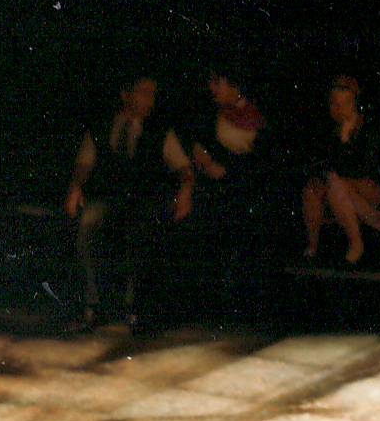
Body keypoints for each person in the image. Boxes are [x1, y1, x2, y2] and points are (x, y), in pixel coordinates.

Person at [65, 75, 195, 331]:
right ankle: (93, 304)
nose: (150, 101)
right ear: (126, 95)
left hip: (143, 200)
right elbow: (84, 163)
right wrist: (76, 186)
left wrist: (186, 189)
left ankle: (133, 307)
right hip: (108, 198)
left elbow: (183, 166)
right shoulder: (103, 126)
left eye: (152, 94)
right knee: (88, 224)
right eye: (144, 93)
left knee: (142, 229)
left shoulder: (159, 130)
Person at [187, 65, 268, 297]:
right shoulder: (210, 113)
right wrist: (204, 159)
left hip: (242, 192)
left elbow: (260, 164)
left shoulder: (256, 115)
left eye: (217, 82)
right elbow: (198, 145)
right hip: (211, 189)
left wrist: (226, 170)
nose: (211, 88)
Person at [302, 75, 380, 266]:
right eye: (334, 103)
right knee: (314, 190)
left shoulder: (368, 128)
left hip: (370, 187)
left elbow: (367, 168)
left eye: (344, 103)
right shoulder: (328, 130)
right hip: (339, 190)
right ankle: (313, 248)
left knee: (336, 184)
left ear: (355, 103)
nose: (339, 109)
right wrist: (321, 180)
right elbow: (319, 163)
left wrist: (346, 136)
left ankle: (356, 245)